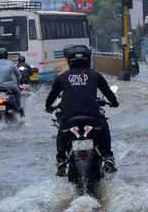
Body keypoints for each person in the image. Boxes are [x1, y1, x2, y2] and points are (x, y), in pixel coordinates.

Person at [45, 45, 119, 177]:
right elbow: (108, 93)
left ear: (69, 60)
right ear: (88, 59)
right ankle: (108, 157)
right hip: (93, 119)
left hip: (69, 120)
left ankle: (61, 160)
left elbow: (50, 98)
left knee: (61, 131)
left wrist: (48, 107)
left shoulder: (62, 77)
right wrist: (114, 103)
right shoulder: (95, 75)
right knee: (104, 126)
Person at [0, 48, 24, 117]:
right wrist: (18, 80)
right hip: (12, 86)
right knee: (18, 94)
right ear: (6, 56)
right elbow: (19, 75)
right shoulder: (11, 63)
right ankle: (19, 109)